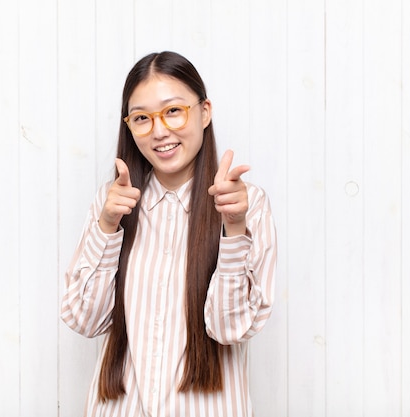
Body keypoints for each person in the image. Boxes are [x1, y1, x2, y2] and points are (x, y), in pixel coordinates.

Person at [61, 51, 277, 417]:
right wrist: (108, 226)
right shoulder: (113, 202)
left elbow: (230, 328)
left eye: (173, 111)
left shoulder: (248, 204)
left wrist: (235, 228)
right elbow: (85, 320)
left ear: (204, 111)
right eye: (142, 118)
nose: (159, 131)